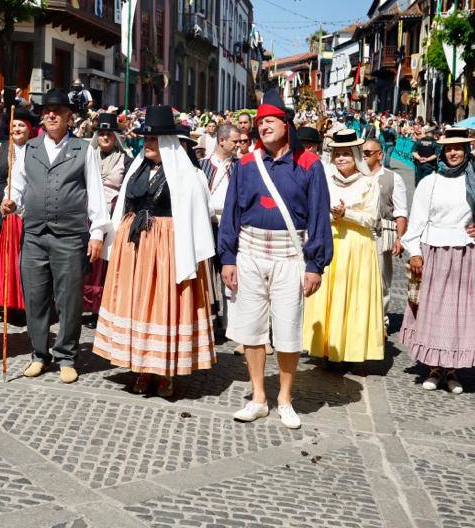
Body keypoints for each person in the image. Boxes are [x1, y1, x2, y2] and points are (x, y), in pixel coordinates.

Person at [218, 94, 333, 428]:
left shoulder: (310, 165)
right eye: (260, 122)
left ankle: (284, 398)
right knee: (251, 331)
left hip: (289, 257)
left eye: (270, 121)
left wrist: (315, 264)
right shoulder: (246, 165)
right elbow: (231, 213)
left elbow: (318, 217)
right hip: (250, 254)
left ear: (287, 125)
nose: (263, 126)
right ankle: (258, 397)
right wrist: (228, 257)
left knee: (287, 331)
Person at [93, 106, 216, 397]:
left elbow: (200, 213)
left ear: (168, 142)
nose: (147, 143)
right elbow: (123, 204)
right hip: (135, 248)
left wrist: (183, 248)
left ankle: (164, 372)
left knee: (162, 307)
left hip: (167, 250)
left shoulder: (186, 175)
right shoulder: (136, 169)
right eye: (145, 139)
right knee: (137, 305)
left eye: (153, 139)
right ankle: (141, 368)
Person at [1, 88, 110, 384]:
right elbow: (19, 188)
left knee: (69, 299)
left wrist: (98, 232)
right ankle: (39, 354)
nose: (51, 115)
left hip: (70, 236)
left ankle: (66, 356)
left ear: (68, 117)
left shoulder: (84, 149)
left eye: (58, 111)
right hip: (34, 234)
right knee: (35, 297)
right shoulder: (30, 148)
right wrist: (11, 204)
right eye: (47, 111)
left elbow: (96, 193)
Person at [402, 126, 475, 394]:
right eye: (449, 148)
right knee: (434, 312)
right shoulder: (429, 183)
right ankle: (433, 368)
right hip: (434, 252)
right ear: (443, 151)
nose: (453, 153)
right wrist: (415, 253)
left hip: (468, 254)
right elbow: (417, 223)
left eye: (459, 148)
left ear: (467, 151)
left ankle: (453, 371)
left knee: (459, 314)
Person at [302, 130, 383, 365]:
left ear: (356, 156)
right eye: (337, 154)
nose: (341, 159)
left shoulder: (369, 183)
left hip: (357, 246)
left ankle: (350, 351)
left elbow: (372, 219)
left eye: (346, 154)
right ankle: (325, 348)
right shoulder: (325, 180)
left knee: (352, 297)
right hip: (331, 242)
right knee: (329, 294)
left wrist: (346, 214)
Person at [0, 107, 38, 314]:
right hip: (3, 207)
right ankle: (1, 299)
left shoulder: (36, 149)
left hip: (26, 208)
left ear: (30, 129)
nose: (17, 129)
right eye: (14, 125)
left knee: (20, 255)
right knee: (0, 255)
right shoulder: (0, 148)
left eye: (22, 125)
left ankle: (22, 302)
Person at [83, 111, 129, 316]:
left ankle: (100, 308)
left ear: (115, 136)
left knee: (106, 263)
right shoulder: (87, 156)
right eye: (101, 133)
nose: (104, 137)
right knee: (87, 260)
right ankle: (83, 304)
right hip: (87, 214)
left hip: (112, 215)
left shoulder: (125, 160)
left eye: (109, 133)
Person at [200, 123, 240, 341]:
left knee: (230, 271)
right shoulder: (201, 166)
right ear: (221, 140)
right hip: (206, 224)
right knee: (206, 274)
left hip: (230, 224)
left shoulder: (241, 166)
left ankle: (231, 325)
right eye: (234, 141)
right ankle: (209, 322)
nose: (238, 145)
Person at [362, 139, 408, 323]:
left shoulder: (393, 178)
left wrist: (400, 238)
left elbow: (401, 211)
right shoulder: (356, 175)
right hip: (358, 233)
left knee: (381, 281)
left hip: (380, 234)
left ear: (380, 155)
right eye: (361, 152)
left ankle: (381, 320)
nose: (363, 156)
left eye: (367, 153)